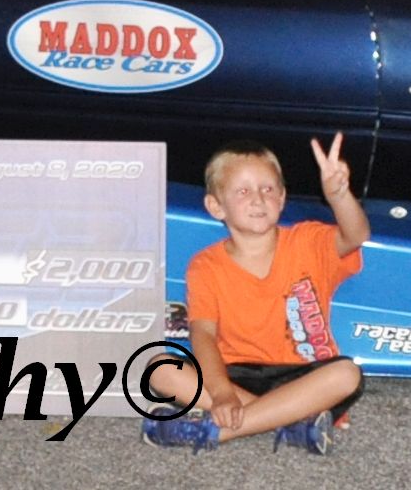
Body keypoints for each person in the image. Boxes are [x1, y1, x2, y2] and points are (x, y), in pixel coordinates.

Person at [141, 136, 369, 453]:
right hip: (234, 375)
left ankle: (214, 432)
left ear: (282, 197)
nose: (258, 199)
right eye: (243, 191)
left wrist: (339, 195)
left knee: (346, 374)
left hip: (302, 376)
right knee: (159, 367)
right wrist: (221, 392)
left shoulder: (308, 241)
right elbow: (203, 334)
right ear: (216, 206)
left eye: (268, 189)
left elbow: (356, 235)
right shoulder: (205, 265)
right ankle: (291, 422)